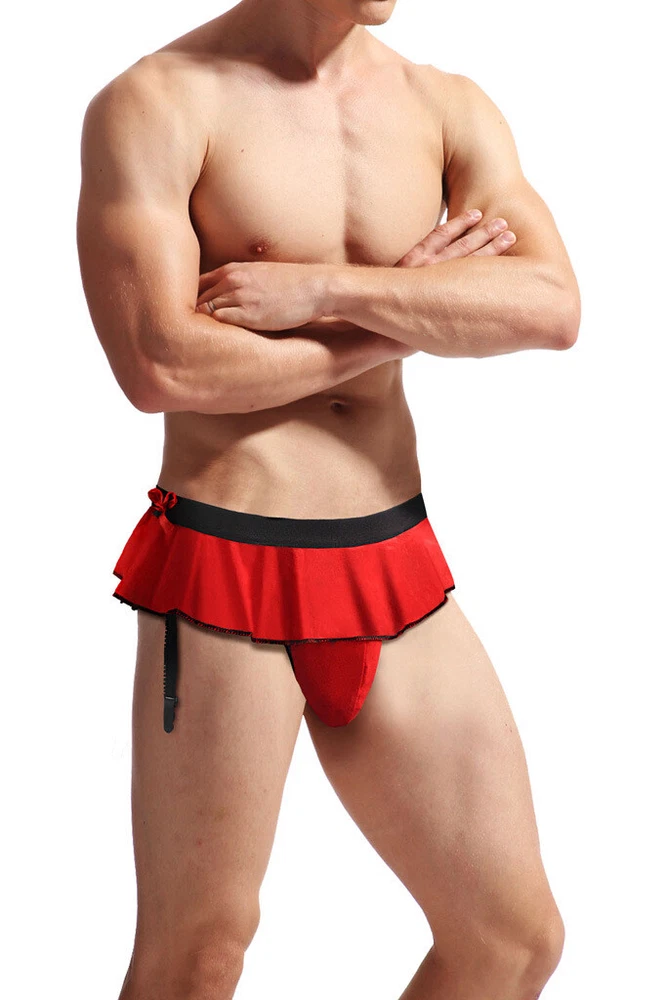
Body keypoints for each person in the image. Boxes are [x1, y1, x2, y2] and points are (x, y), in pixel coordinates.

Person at [76, 1, 580, 997]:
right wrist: (410, 317)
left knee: (510, 940)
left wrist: (326, 292)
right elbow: (161, 365)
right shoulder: (157, 101)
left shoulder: (444, 105)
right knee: (198, 954)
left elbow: (550, 306)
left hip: (395, 564)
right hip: (229, 564)